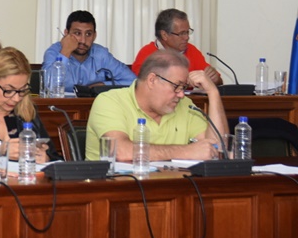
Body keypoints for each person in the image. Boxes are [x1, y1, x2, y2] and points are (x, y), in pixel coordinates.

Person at [85, 50, 228, 161]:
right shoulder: (109, 101)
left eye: (183, 87)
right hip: (117, 188)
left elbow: (218, 148)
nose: (181, 94)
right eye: (177, 86)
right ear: (152, 80)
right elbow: (121, 152)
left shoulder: (185, 106)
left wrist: (213, 93)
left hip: (173, 187)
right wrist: (186, 151)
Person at [42, 10, 135, 92]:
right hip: (62, 105)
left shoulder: (101, 54)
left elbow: (133, 81)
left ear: (94, 35)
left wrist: (103, 85)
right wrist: (65, 51)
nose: (83, 41)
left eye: (88, 34)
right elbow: (48, 86)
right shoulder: (53, 52)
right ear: (66, 33)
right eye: (77, 33)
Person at [131, 8, 222, 85]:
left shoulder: (191, 50)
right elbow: (142, 85)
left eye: (187, 32)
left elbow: (218, 81)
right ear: (164, 35)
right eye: (182, 33)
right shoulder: (147, 53)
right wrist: (185, 80)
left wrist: (214, 79)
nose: (187, 37)